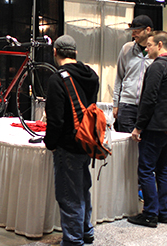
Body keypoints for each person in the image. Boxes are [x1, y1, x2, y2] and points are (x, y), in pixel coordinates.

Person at [44, 35, 99, 245]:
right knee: (83, 189)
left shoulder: (57, 79)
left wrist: (50, 143)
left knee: (68, 196)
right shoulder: (92, 76)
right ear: (75, 53)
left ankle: (74, 240)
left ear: (55, 52)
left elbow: (55, 120)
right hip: (87, 141)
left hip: (67, 145)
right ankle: (86, 231)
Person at [128, 31, 167, 228]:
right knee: (162, 169)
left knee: (145, 169)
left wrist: (138, 127)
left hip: (156, 126)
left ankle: (150, 213)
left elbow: (148, 99)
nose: (146, 49)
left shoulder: (157, 67)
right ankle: (163, 212)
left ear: (160, 45)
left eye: (150, 45)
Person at [113, 15, 154, 133]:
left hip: (147, 106)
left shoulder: (156, 53)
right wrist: (116, 103)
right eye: (132, 32)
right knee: (126, 142)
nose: (133, 35)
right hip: (126, 104)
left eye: (136, 32)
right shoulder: (126, 49)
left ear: (148, 30)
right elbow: (119, 77)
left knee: (144, 143)